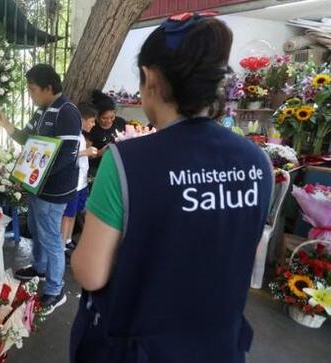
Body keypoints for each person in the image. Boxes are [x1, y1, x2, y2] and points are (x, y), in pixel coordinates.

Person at [70, 14, 273, 363]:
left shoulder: (125, 163)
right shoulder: (258, 162)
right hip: (219, 347)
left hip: (139, 348)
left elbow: (91, 273)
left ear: (150, 79)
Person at [0, 64, 81, 314]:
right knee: (36, 228)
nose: (30, 94)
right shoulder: (42, 111)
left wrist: (34, 176)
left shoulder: (67, 111)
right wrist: (4, 122)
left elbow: (68, 154)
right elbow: (25, 139)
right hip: (37, 187)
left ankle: (55, 290)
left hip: (54, 190)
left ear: (48, 88)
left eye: (32, 89)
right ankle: (40, 269)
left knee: (52, 237)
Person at [61, 103, 97, 253]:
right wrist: (85, 152)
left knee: (74, 212)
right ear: (82, 119)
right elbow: (64, 156)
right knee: (68, 214)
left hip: (81, 182)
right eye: (92, 121)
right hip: (73, 183)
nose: (94, 124)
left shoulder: (81, 136)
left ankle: (68, 239)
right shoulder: (73, 136)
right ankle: (61, 244)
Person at [87, 90, 126, 175]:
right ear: (97, 116)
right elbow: (86, 155)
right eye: (104, 118)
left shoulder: (120, 122)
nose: (109, 121)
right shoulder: (92, 128)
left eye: (112, 117)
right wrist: (99, 153)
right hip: (97, 169)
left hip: (118, 166)